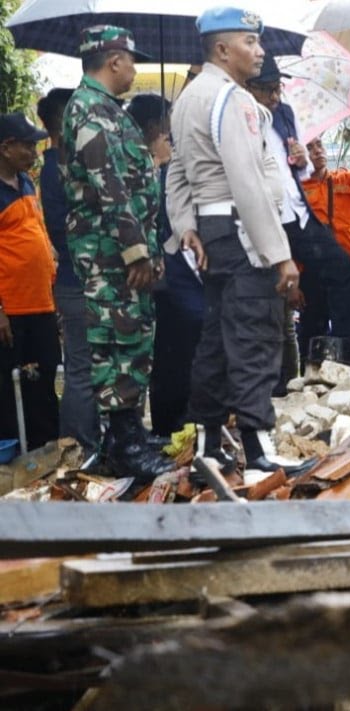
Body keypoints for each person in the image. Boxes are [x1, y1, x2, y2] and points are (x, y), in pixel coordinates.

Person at [166, 7, 299, 475]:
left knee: (217, 340)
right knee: (254, 336)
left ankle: (207, 445)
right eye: (250, 41)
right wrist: (279, 254)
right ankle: (259, 450)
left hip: (214, 232)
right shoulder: (233, 99)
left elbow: (177, 173)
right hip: (244, 231)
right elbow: (248, 180)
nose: (260, 51)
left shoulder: (188, 99)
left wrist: (187, 226)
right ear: (222, 49)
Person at [62, 26, 170, 480]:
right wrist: (135, 252)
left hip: (121, 251)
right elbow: (110, 189)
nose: (134, 69)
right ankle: (123, 443)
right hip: (109, 256)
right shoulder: (89, 111)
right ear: (113, 60)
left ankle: (126, 436)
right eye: (131, 59)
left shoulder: (109, 110)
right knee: (118, 343)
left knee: (134, 339)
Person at [245, 54, 350, 373]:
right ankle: (301, 365)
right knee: (287, 294)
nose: (274, 97)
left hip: (298, 211)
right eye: (267, 90)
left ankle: (345, 355)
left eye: (277, 89)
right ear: (249, 87)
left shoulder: (284, 113)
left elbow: (303, 168)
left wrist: (300, 158)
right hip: (267, 215)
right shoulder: (241, 118)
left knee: (342, 271)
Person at [129, 94, 203, 438]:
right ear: (155, 126)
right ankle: (169, 424)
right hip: (164, 270)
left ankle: (185, 420)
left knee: (181, 346)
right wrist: (158, 169)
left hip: (178, 266)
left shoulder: (170, 160)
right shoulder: (139, 162)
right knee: (175, 347)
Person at [37, 88, 95, 449]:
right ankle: (80, 446)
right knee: (81, 369)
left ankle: (89, 441)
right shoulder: (53, 170)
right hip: (76, 281)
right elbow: (61, 227)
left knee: (87, 366)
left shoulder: (69, 162)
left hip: (82, 280)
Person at [0, 113, 59, 450]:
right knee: (11, 389)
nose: (34, 152)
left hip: (42, 303)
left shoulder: (25, 182)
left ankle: (47, 453)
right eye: (28, 145)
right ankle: (14, 457)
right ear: (7, 148)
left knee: (44, 381)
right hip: (12, 311)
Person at [301, 137, 350, 363]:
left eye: (319, 145)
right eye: (309, 147)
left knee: (349, 333)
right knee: (311, 337)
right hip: (311, 274)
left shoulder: (346, 180)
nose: (317, 151)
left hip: (347, 271)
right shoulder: (297, 191)